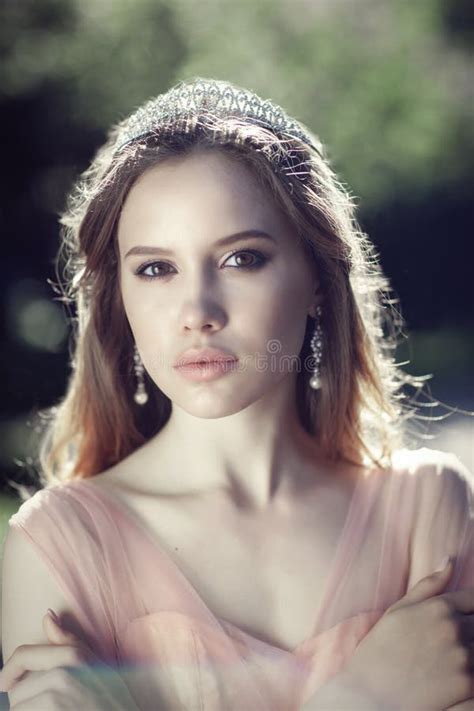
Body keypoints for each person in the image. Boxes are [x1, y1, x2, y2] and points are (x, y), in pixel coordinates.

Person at [1, 77, 473, 710]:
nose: (197, 312)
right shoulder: (60, 548)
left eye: (242, 259)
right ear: (121, 300)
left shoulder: (426, 507)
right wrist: (356, 699)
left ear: (315, 281)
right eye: (156, 269)